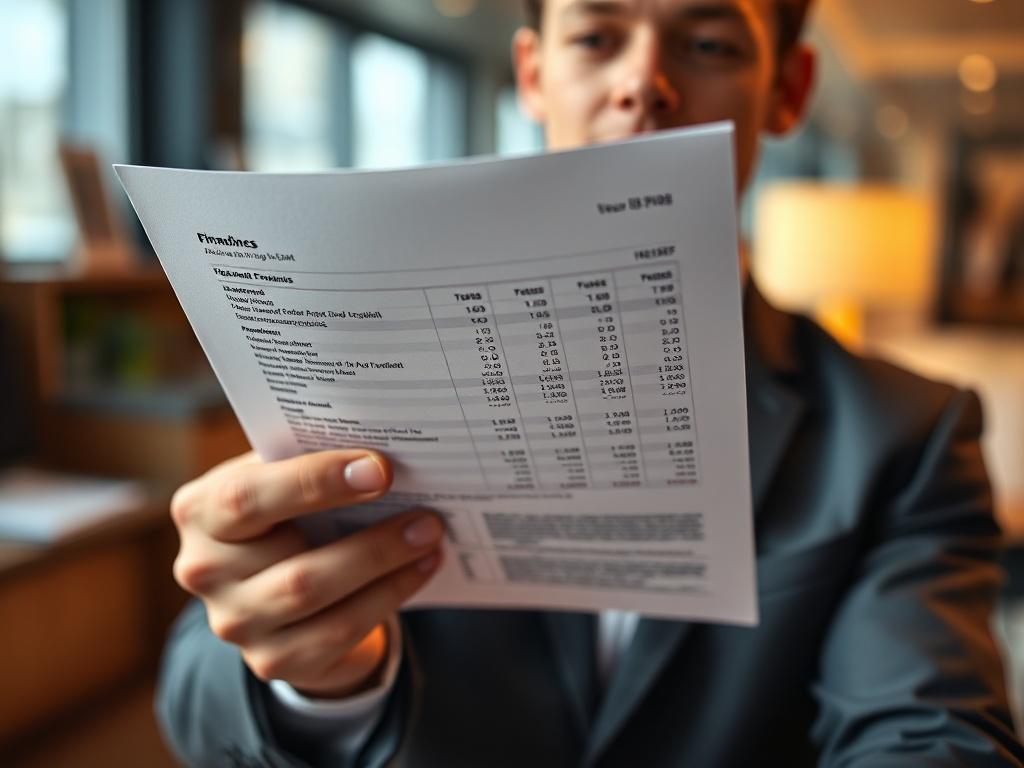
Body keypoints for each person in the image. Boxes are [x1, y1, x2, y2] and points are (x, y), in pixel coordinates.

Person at [156, 1, 1024, 766]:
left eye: (712, 43)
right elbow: (196, 702)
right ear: (534, 75)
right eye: (599, 36)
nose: (644, 84)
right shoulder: (366, 350)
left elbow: (927, 732)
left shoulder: (906, 431)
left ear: (789, 90)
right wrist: (317, 680)